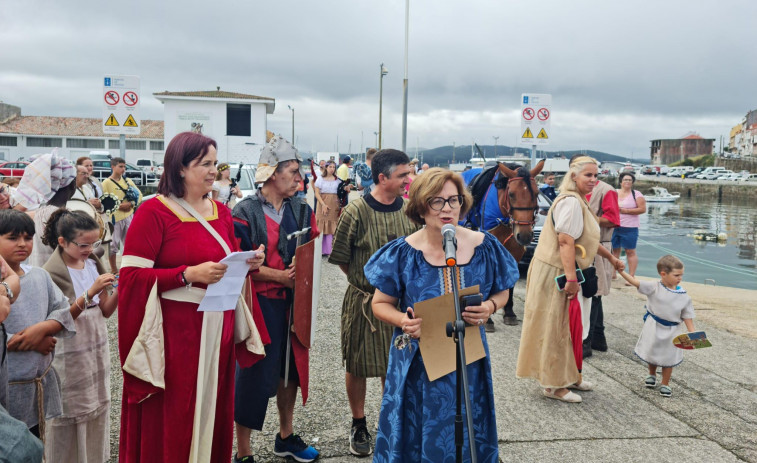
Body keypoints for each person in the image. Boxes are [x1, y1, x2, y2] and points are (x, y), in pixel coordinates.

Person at [117, 132, 265, 463]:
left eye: (215, 163)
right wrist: (187, 274)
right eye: (204, 164)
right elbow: (130, 278)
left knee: (213, 409)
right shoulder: (154, 212)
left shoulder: (222, 213)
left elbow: (223, 260)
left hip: (217, 330)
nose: (213, 171)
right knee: (175, 415)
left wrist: (248, 262)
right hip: (176, 334)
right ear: (180, 168)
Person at [365, 167, 518, 462]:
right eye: (437, 201)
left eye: (453, 200)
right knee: (417, 430)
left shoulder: (483, 246)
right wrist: (403, 321)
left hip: (468, 358)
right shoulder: (403, 253)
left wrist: (490, 307)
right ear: (421, 206)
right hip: (417, 362)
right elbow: (379, 303)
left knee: (467, 428)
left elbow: (503, 291)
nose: (447, 208)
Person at [232, 136, 320, 463]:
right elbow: (239, 266)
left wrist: (304, 265)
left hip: (293, 304)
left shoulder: (301, 209)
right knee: (253, 373)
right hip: (259, 305)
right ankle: (243, 452)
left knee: (290, 371)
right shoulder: (244, 212)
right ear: (272, 173)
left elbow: (310, 252)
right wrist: (279, 275)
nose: (299, 179)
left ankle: (285, 436)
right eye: (293, 172)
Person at [328, 149, 419, 456]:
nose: (408, 179)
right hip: (364, 302)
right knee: (357, 364)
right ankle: (358, 423)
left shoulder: (407, 210)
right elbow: (341, 257)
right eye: (403, 175)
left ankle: (391, 422)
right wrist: (367, 282)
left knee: (393, 366)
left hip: (400, 305)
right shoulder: (356, 212)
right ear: (383, 178)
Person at [516, 156, 624, 403]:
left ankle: (571, 375)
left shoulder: (578, 201)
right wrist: (572, 280)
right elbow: (565, 241)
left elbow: (587, 240)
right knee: (558, 327)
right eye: (588, 175)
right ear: (574, 176)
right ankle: (554, 385)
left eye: (596, 176)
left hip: (563, 270)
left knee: (573, 327)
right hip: (558, 272)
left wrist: (611, 258)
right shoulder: (571, 203)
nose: (594, 180)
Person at [40, 209, 118, 461]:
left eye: (94, 243)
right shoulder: (50, 273)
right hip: (69, 347)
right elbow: (59, 321)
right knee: (69, 407)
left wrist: (123, 287)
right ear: (62, 241)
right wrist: (91, 291)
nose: (89, 249)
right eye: (83, 244)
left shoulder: (94, 262)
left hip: (95, 342)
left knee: (96, 401)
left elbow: (106, 310)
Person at [0, 209, 75, 438]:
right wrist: (29, 342)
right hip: (7, 387)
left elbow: (61, 308)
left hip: (35, 385)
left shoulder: (40, 276)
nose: (22, 244)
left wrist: (42, 330)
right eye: (12, 238)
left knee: (33, 443)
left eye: (28, 237)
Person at [618, 255, 695, 398]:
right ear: (663, 274)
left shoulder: (684, 296)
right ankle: (651, 374)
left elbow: (687, 315)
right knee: (652, 351)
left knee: (669, 357)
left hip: (673, 330)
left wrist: (692, 332)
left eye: (681, 275)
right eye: (676, 275)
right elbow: (635, 282)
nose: (680, 278)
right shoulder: (654, 287)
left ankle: (665, 383)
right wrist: (621, 272)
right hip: (654, 326)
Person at [11, 152, 77, 267]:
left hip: (39, 272)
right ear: (72, 185)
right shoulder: (63, 217)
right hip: (58, 278)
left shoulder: (39, 212)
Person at [582, 177, 620, 358]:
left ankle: (587, 342)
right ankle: (598, 338)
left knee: (594, 293)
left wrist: (589, 218)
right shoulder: (579, 190)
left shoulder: (606, 190)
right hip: (585, 246)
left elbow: (613, 219)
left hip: (599, 244)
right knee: (594, 293)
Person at [102, 157, 142, 274]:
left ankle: (128, 267)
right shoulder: (106, 183)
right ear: (113, 167)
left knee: (131, 243)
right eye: (120, 166)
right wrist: (119, 206)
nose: (123, 169)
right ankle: (114, 270)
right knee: (113, 245)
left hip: (129, 216)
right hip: (115, 218)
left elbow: (139, 195)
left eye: (124, 167)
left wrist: (131, 203)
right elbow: (103, 200)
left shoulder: (128, 181)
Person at [612, 172, 646, 281]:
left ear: (632, 183)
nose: (627, 182)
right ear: (621, 182)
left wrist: (625, 211)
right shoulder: (614, 193)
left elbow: (642, 209)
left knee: (630, 252)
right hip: (613, 226)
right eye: (625, 179)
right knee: (614, 251)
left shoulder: (636, 194)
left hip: (630, 228)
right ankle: (613, 274)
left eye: (630, 180)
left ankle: (631, 276)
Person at [313, 160, 341, 256]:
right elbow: (317, 193)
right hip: (322, 203)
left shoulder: (337, 180)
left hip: (334, 204)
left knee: (331, 225)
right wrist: (323, 204)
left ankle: (329, 250)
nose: (332, 169)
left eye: (334, 167)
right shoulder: (320, 179)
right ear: (326, 167)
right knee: (321, 224)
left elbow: (341, 192)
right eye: (330, 167)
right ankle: (319, 249)